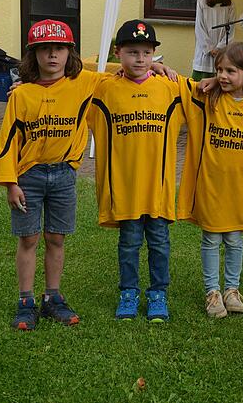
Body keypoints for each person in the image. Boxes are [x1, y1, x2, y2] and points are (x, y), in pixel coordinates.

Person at [0, 20, 106, 330]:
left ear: (70, 54)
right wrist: (10, 183)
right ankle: (26, 300)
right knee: (28, 237)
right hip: (28, 176)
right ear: (34, 56)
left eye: (59, 49)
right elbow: (6, 143)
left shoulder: (85, 83)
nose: (52, 56)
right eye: (44, 50)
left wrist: (157, 70)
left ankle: (52, 297)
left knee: (56, 237)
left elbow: (121, 73)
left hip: (63, 175)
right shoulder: (22, 94)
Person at [88, 20, 185, 323]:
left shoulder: (170, 89)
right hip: (127, 187)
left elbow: (207, 89)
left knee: (159, 243)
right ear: (118, 53)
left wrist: (166, 71)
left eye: (146, 53)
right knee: (129, 243)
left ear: (154, 55)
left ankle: (158, 293)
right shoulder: (105, 88)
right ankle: (128, 292)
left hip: (157, 187)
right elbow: (70, 88)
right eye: (132, 52)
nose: (140, 59)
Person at [177, 42, 243, 317]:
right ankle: (213, 291)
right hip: (212, 185)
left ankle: (232, 289)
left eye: (231, 71)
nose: (222, 76)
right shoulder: (208, 97)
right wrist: (159, 67)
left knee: (234, 239)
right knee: (211, 239)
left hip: (242, 189)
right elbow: (178, 85)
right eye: (219, 69)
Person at [192, 0, 236, 81]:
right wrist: (209, 48)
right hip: (204, 51)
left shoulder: (230, 4)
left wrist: (219, 48)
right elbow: (199, 27)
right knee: (199, 86)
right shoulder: (202, 2)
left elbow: (230, 29)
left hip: (221, 51)